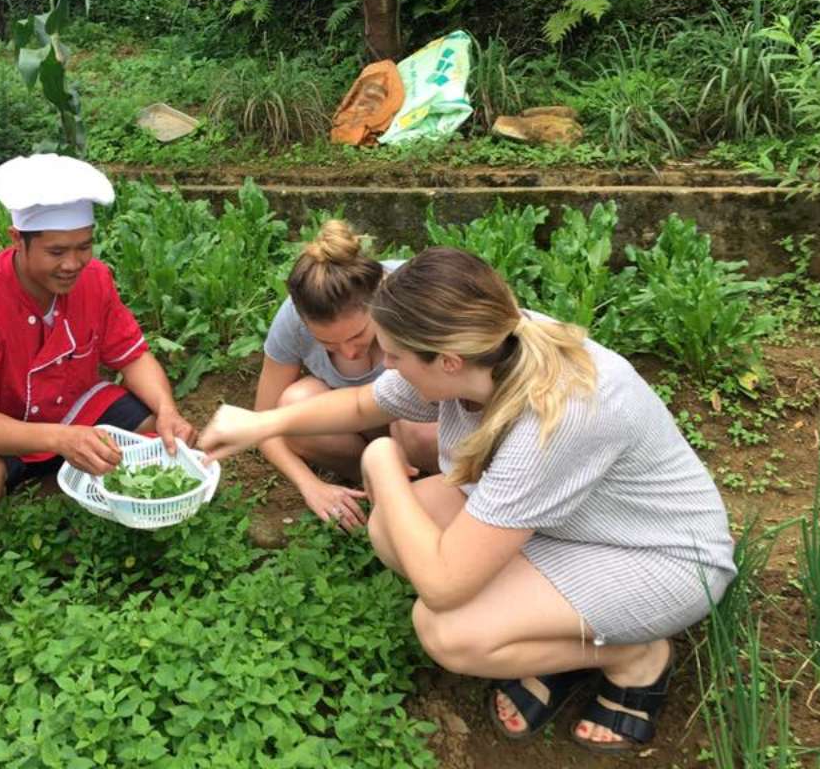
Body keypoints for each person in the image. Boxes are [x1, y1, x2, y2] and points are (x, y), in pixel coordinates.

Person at [199, 246, 736, 753]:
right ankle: (553, 635)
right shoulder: (489, 341)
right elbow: (365, 403)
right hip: (569, 525)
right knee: (391, 530)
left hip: (654, 556)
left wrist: (382, 465)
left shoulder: (556, 417)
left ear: (448, 362)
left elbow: (443, 585)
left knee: (449, 631)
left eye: (396, 354)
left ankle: (634, 654)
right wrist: (263, 422)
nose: (387, 365)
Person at [0, 154, 197, 589]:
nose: (73, 263)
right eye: (56, 251)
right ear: (18, 239)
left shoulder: (95, 279)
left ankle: (61, 488)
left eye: (83, 246)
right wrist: (61, 439)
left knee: (158, 430)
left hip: (64, 408)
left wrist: (168, 410)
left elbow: (132, 356)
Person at [257, 220, 436, 530]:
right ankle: (372, 483)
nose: (349, 353)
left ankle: (439, 483)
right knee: (293, 406)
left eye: (358, 335)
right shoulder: (293, 319)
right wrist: (310, 485)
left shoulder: (413, 293)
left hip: (423, 420)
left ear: (379, 298)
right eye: (327, 343)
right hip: (355, 425)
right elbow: (263, 422)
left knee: (415, 429)